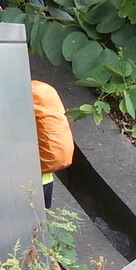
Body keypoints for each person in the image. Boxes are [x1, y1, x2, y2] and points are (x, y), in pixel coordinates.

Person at [31, 80, 75, 209]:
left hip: (30, 180)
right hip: (47, 176)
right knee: (41, 216)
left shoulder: (22, 99)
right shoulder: (43, 92)